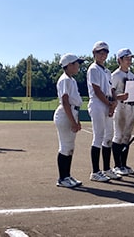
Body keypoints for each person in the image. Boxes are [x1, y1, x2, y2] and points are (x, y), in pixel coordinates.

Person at [87, 41, 121, 182]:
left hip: (107, 103)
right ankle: (95, 171)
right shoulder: (93, 69)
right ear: (94, 53)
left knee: (108, 136)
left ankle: (107, 169)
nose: (103, 55)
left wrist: (114, 102)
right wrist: (109, 104)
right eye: (100, 52)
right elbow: (97, 90)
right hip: (98, 103)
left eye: (105, 52)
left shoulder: (107, 71)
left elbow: (111, 89)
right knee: (98, 136)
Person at [53, 53, 85, 188]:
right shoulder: (65, 79)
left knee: (70, 147)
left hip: (71, 112)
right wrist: (73, 121)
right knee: (65, 147)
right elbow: (66, 101)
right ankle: (62, 178)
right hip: (65, 114)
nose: (79, 66)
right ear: (70, 65)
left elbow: (74, 102)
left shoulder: (71, 80)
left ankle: (67, 175)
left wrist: (76, 120)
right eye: (77, 63)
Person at [111, 48, 134, 176]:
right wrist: (120, 97)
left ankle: (124, 163)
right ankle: (117, 165)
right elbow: (111, 93)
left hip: (130, 106)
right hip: (120, 107)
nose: (129, 61)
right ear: (119, 60)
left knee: (127, 136)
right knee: (119, 135)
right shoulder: (115, 75)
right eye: (126, 58)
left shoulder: (131, 75)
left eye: (130, 58)